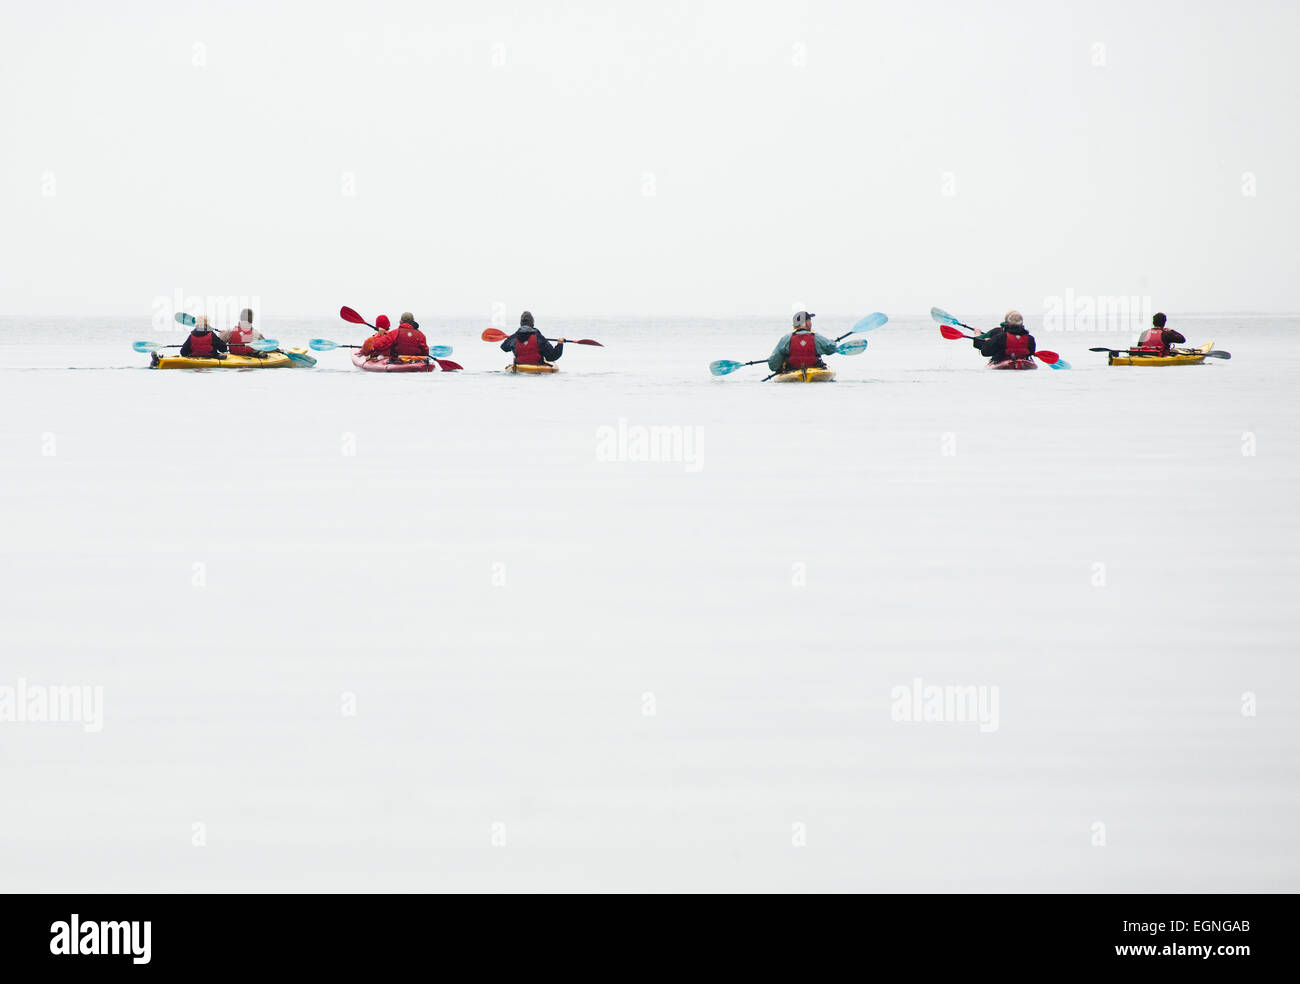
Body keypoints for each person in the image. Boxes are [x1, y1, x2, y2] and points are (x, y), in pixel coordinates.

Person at [768, 311, 836, 373]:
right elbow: (831, 348)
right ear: (805, 323)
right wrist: (833, 342)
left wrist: (780, 368)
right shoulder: (816, 337)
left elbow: (773, 364)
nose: (811, 323)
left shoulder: (786, 339)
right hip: (813, 370)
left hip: (792, 370)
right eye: (809, 320)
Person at [360, 311, 429, 359]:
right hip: (416, 362)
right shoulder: (420, 334)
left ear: (401, 321)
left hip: (398, 361)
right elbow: (426, 352)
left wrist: (380, 335)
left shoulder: (394, 333)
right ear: (413, 322)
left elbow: (377, 346)